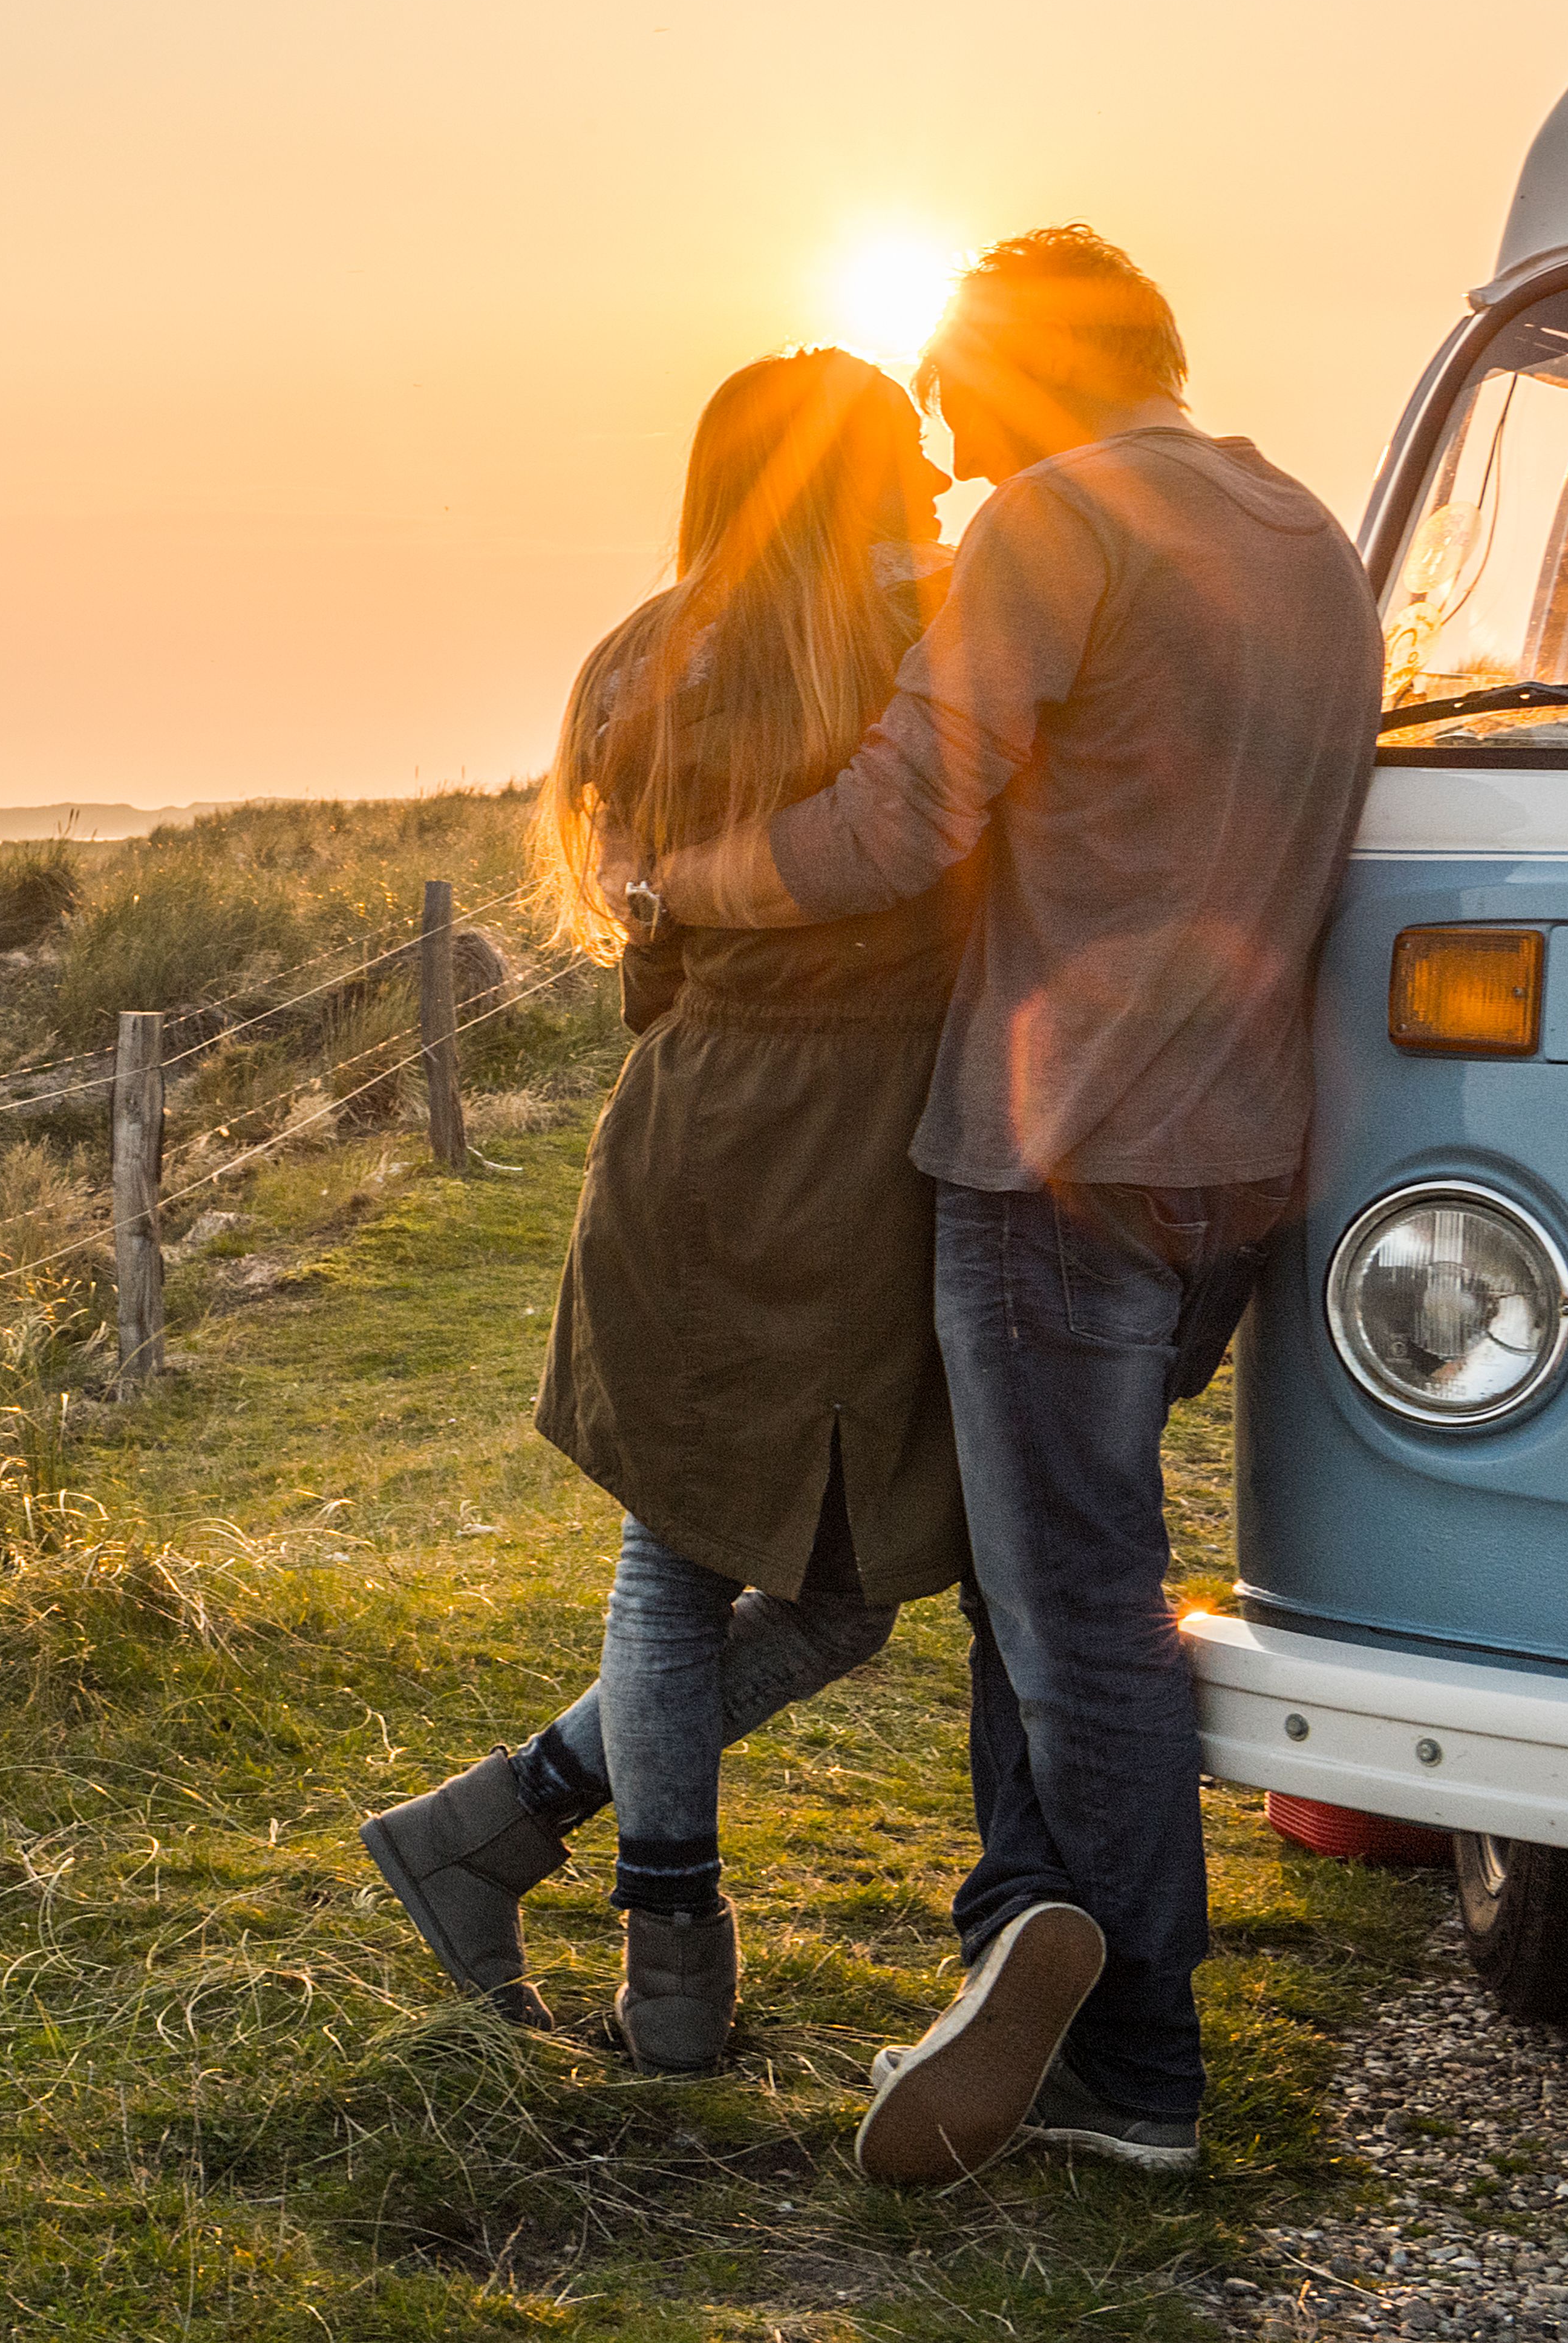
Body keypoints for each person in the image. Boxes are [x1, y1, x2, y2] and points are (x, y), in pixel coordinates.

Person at [634, 226, 1378, 2181]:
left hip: (1056, 1166)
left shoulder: (1065, 516)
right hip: (1241, 1158)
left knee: (1083, 1627)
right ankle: (1014, 1936)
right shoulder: (1297, 525)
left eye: (958, 393)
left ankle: (1137, 2069)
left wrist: (682, 885)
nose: (949, 447)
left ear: (1035, 372)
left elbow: (900, 816)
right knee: (1041, 1583)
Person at [359, 346, 978, 2073]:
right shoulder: (925, 640)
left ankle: (520, 1830)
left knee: (702, 1552)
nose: (935, 483)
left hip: (702, 1121)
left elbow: (637, 928)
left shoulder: (644, 659)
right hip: (862, 1140)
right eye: (905, 457)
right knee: (798, 1578)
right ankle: (660, 1937)